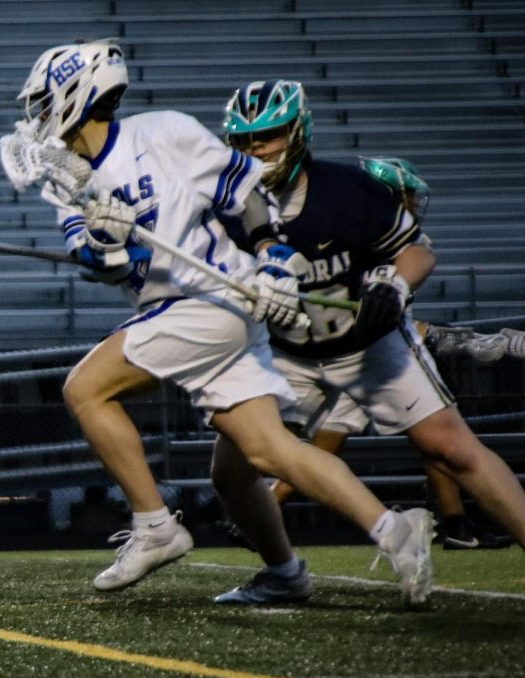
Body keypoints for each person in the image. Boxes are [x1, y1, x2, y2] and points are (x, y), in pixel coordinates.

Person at [10, 40, 435, 609]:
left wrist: (273, 255)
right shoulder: (67, 183)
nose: (36, 119)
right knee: (261, 456)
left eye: (42, 103)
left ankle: (155, 525)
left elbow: (247, 192)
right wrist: (105, 242)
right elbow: (104, 267)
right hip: (183, 309)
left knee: (86, 389)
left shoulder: (162, 132)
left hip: (211, 299)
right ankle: (379, 536)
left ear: (75, 94)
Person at [217, 80, 525, 602]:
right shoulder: (223, 206)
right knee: (230, 473)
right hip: (286, 353)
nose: (255, 150)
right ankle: (283, 575)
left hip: (370, 341)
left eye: (266, 136)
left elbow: (418, 253)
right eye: (243, 141)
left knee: (451, 448)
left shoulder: (348, 190)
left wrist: (396, 284)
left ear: (296, 131)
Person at [264, 156, 511, 550]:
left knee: (440, 444)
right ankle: (261, 512)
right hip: (343, 353)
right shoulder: (353, 228)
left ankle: (454, 523)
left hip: (374, 350)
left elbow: (417, 264)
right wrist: (463, 340)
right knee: (310, 453)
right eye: (403, 195)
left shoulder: (390, 238)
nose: (411, 203)